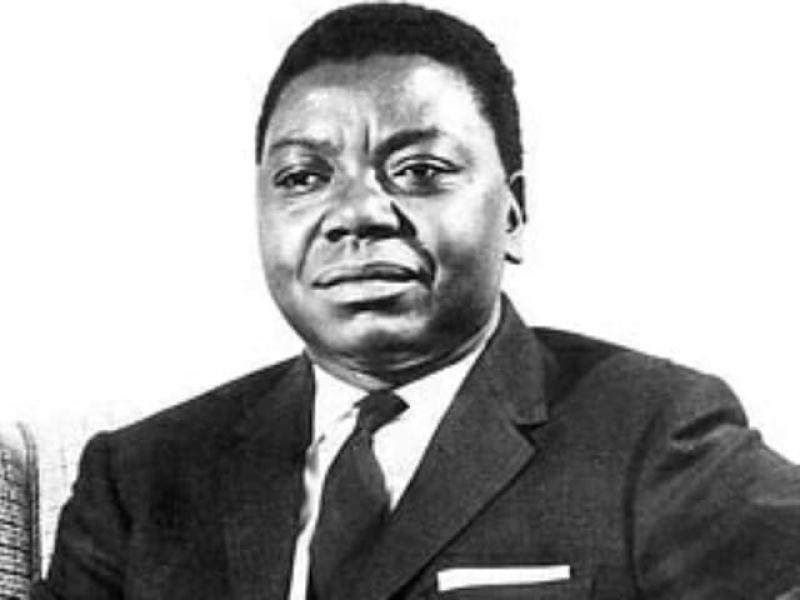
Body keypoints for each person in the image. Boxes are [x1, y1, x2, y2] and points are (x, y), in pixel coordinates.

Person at [33, 3, 800, 599]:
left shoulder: (652, 435)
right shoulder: (140, 480)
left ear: (513, 215)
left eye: (421, 170)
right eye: (302, 177)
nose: (357, 212)